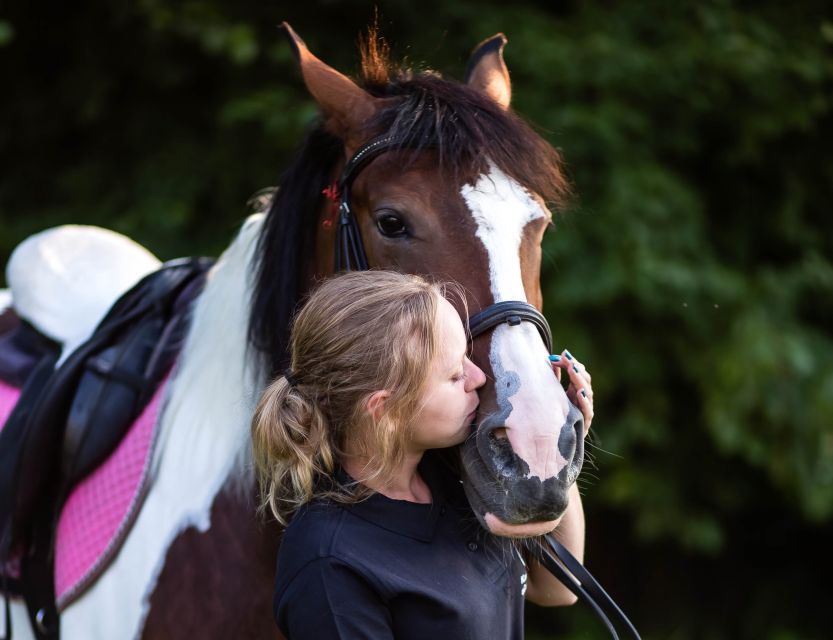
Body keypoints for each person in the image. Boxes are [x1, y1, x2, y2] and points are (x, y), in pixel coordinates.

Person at [251, 271, 594, 639]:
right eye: (453, 374)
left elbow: (559, 588)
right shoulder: (328, 562)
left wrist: (553, 450)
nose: (478, 377)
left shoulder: (451, 476)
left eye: (466, 355)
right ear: (385, 409)